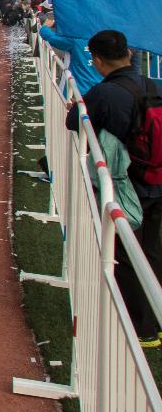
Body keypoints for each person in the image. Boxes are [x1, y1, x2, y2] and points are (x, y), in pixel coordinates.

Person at [65, 30, 162, 345]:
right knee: (150, 248)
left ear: (96, 59)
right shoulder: (150, 83)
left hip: (128, 183)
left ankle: (138, 328)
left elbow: (73, 122)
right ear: (129, 54)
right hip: (156, 179)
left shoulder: (105, 94)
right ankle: (152, 320)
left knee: (124, 250)